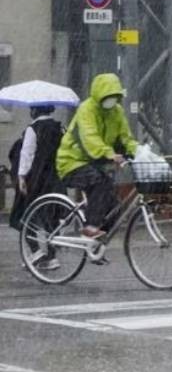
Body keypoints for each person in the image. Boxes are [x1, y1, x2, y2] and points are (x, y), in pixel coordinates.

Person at [56, 74, 140, 253]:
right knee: (99, 183)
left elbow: (126, 137)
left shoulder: (117, 112)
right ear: (99, 95)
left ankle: (96, 245)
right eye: (107, 96)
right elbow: (90, 138)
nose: (111, 100)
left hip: (93, 163)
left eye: (114, 96)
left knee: (114, 207)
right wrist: (110, 154)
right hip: (71, 162)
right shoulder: (86, 109)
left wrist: (140, 153)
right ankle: (90, 228)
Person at [8, 105, 64, 234]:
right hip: (55, 175)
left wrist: (21, 177)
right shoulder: (60, 128)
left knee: (29, 212)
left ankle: (34, 249)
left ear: (34, 111)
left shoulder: (33, 129)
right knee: (52, 212)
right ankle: (52, 248)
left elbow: (27, 154)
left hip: (37, 175)